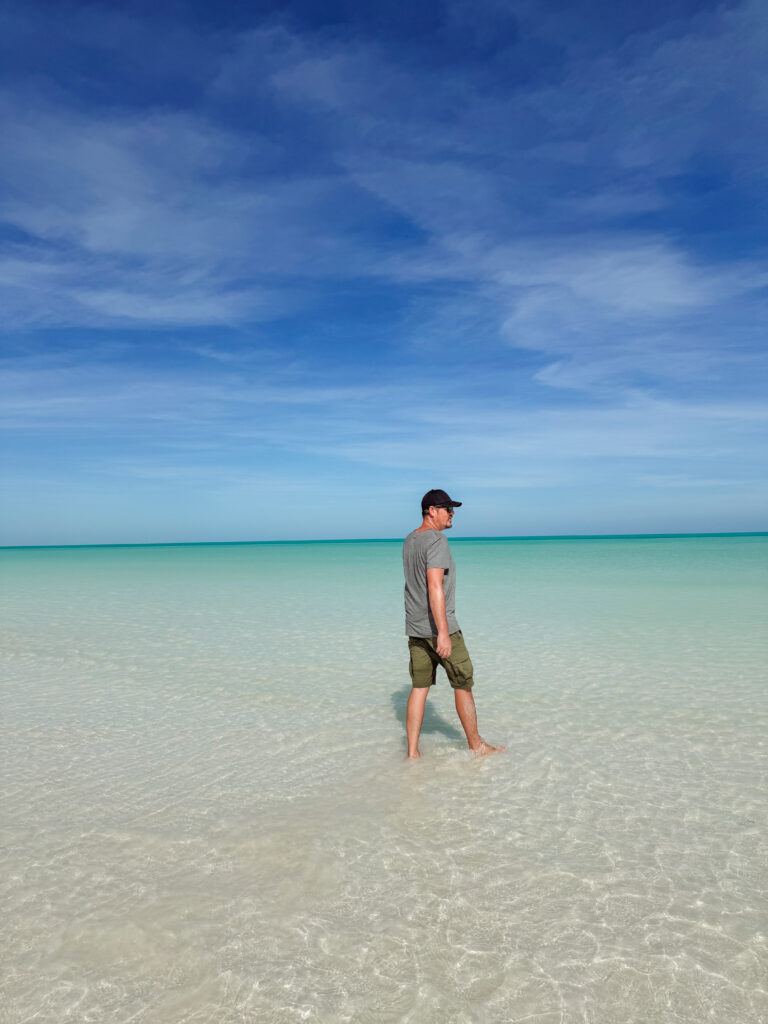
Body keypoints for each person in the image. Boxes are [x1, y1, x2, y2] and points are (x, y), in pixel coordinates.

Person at [402, 488, 504, 759]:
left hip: (415, 629)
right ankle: (477, 746)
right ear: (432, 511)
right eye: (447, 509)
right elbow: (434, 587)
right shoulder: (437, 541)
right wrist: (444, 633)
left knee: (419, 688)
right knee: (463, 684)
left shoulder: (410, 540)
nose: (452, 513)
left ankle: (412, 752)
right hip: (439, 628)